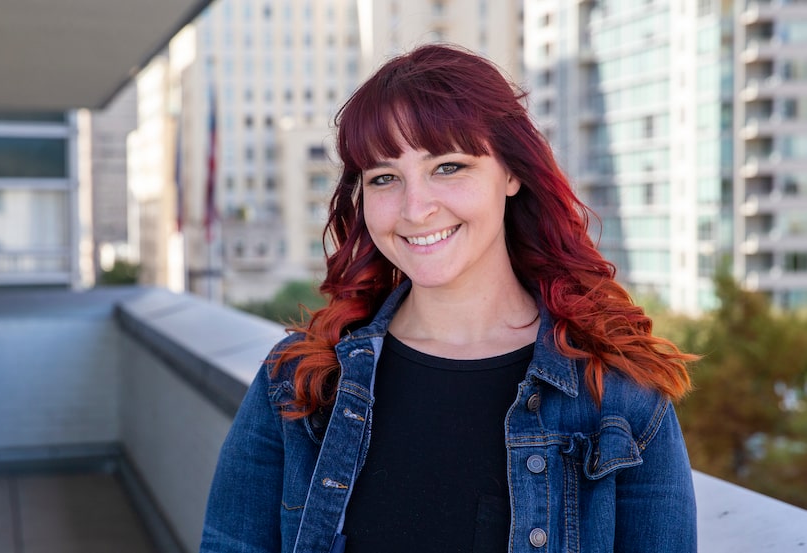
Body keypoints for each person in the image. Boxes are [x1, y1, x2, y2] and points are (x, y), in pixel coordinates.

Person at [200, 43, 698, 553]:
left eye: (448, 167)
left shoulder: (620, 396)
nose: (416, 210)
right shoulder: (299, 382)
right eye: (385, 177)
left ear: (511, 172)